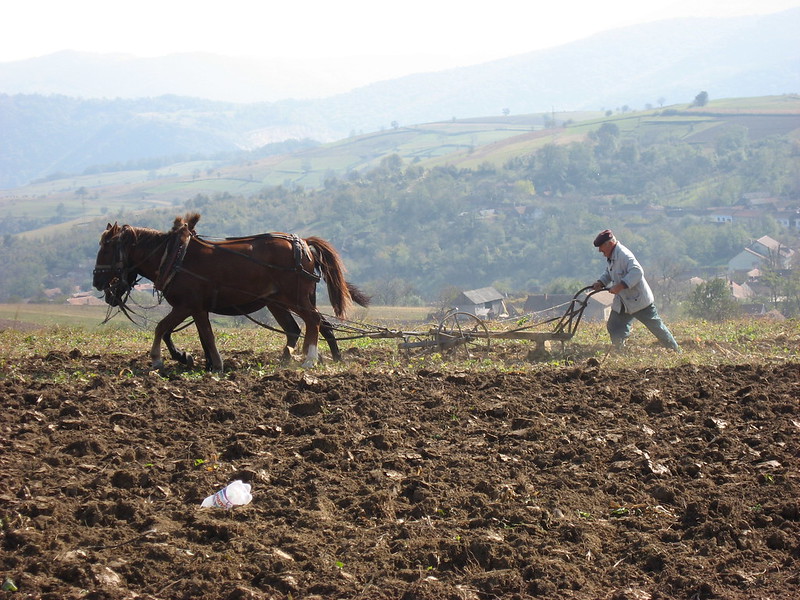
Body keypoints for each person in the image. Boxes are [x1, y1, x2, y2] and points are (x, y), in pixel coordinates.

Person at [591, 229, 680, 352]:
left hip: (638, 301)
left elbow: (637, 272)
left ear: (609, 244)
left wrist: (620, 286)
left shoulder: (624, 255)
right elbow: (609, 272)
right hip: (624, 302)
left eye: (601, 247)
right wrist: (601, 282)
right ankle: (619, 350)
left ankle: (675, 351)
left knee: (656, 328)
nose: (600, 251)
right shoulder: (612, 256)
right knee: (614, 325)